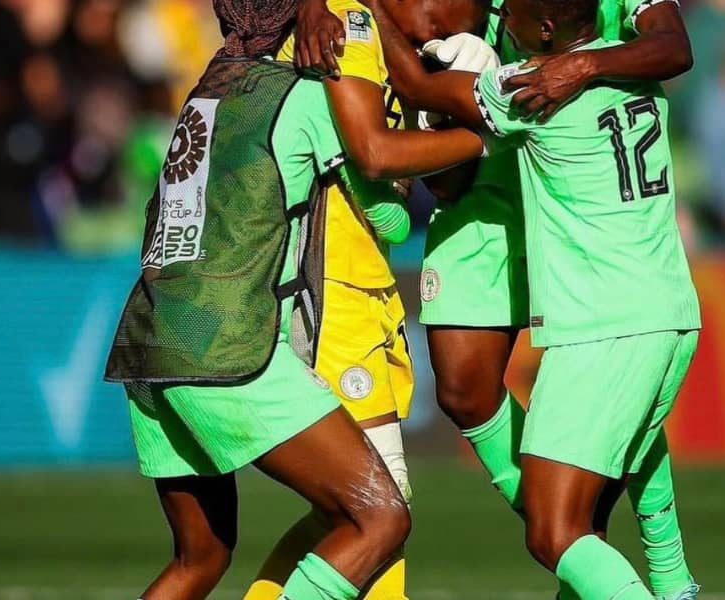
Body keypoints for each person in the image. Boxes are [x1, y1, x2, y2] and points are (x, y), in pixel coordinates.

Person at [104, 1, 488, 599]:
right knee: (380, 517)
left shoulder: (204, 92)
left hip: (148, 338)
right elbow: (388, 210)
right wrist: (478, 136)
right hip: (229, 342)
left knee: (199, 560)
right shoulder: (304, 96)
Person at [360, 0, 702, 598]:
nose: (501, 15)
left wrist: (367, 13)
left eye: (511, 10)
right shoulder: (638, 80)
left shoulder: (532, 89)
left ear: (544, 28)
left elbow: (414, 91)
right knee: (579, 485)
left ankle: (625, 562)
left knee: (555, 532)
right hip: (665, 302)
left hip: (601, 319)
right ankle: (649, 575)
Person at [242, 1, 492, 599]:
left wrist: (454, 99)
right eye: (459, 7)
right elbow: (375, 156)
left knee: (356, 512)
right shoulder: (348, 20)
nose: (459, 25)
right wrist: (485, 131)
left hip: (363, 282)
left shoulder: (398, 49)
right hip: (328, 280)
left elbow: (441, 185)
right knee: (379, 503)